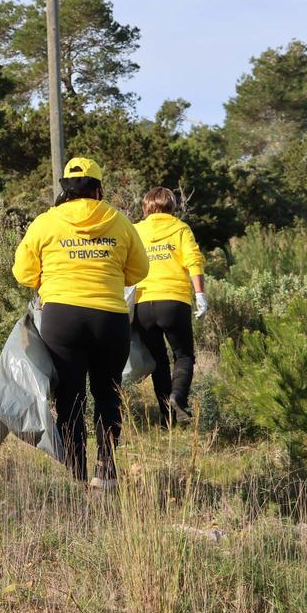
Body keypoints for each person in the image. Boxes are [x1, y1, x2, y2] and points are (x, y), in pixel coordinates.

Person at [12, 158, 148, 489]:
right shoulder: (119, 221)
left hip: (62, 316)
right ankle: (106, 471)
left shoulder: (46, 222)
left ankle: (75, 472)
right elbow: (139, 270)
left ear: (66, 189)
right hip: (109, 317)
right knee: (108, 394)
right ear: (98, 187)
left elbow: (23, 273)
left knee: (70, 398)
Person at [133, 187, 207, 426]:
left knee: (159, 361)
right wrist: (200, 295)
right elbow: (193, 260)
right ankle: (178, 398)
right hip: (174, 302)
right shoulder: (180, 228)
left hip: (143, 304)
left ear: (146, 207)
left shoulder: (135, 230)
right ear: (171, 205)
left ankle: (167, 418)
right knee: (183, 355)